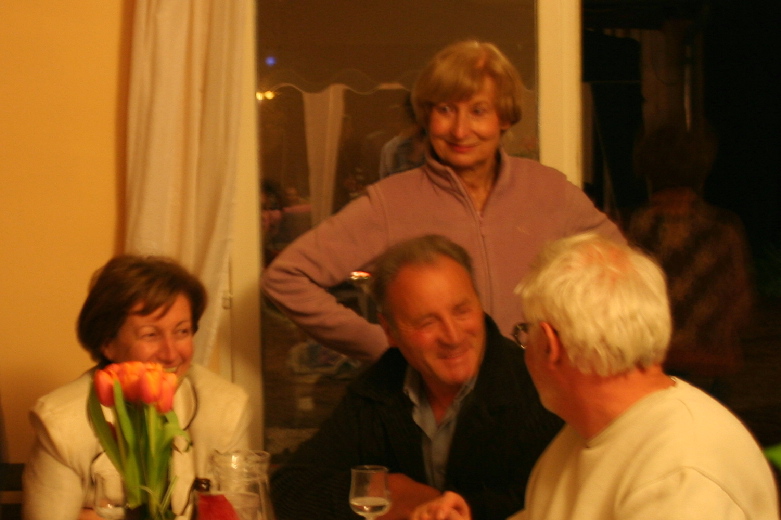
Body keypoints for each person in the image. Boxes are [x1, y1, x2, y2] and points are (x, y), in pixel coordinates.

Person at [261, 39, 624, 363]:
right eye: (446, 110)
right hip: (437, 404)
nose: (460, 131)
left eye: (478, 111)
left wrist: (574, 339)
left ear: (504, 118)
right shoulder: (391, 202)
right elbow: (286, 277)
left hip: (538, 398)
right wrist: (385, 347)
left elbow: (623, 269)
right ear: (427, 116)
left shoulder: (549, 190)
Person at [411, 233, 779, 520]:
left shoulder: (681, 473)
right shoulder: (581, 435)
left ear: (550, 345)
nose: (523, 346)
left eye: (525, 332)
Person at [270, 235, 562, 520]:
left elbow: (554, 502)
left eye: (462, 311)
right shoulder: (380, 387)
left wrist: (460, 510)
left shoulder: (537, 388)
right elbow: (290, 487)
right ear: (390, 331)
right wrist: (384, 491)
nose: (452, 336)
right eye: (427, 322)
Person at [23, 256, 251, 520]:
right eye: (150, 335)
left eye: (182, 331)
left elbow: (242, 513)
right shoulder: (61, 423)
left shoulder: (226, 407)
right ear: (108, 343)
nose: (171, 354)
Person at [628, 124, 753, 400]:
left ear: (647, 169)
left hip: (655, 362)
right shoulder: (723, 228)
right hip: (710, 365)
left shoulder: (637, 228)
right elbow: (740, 301)